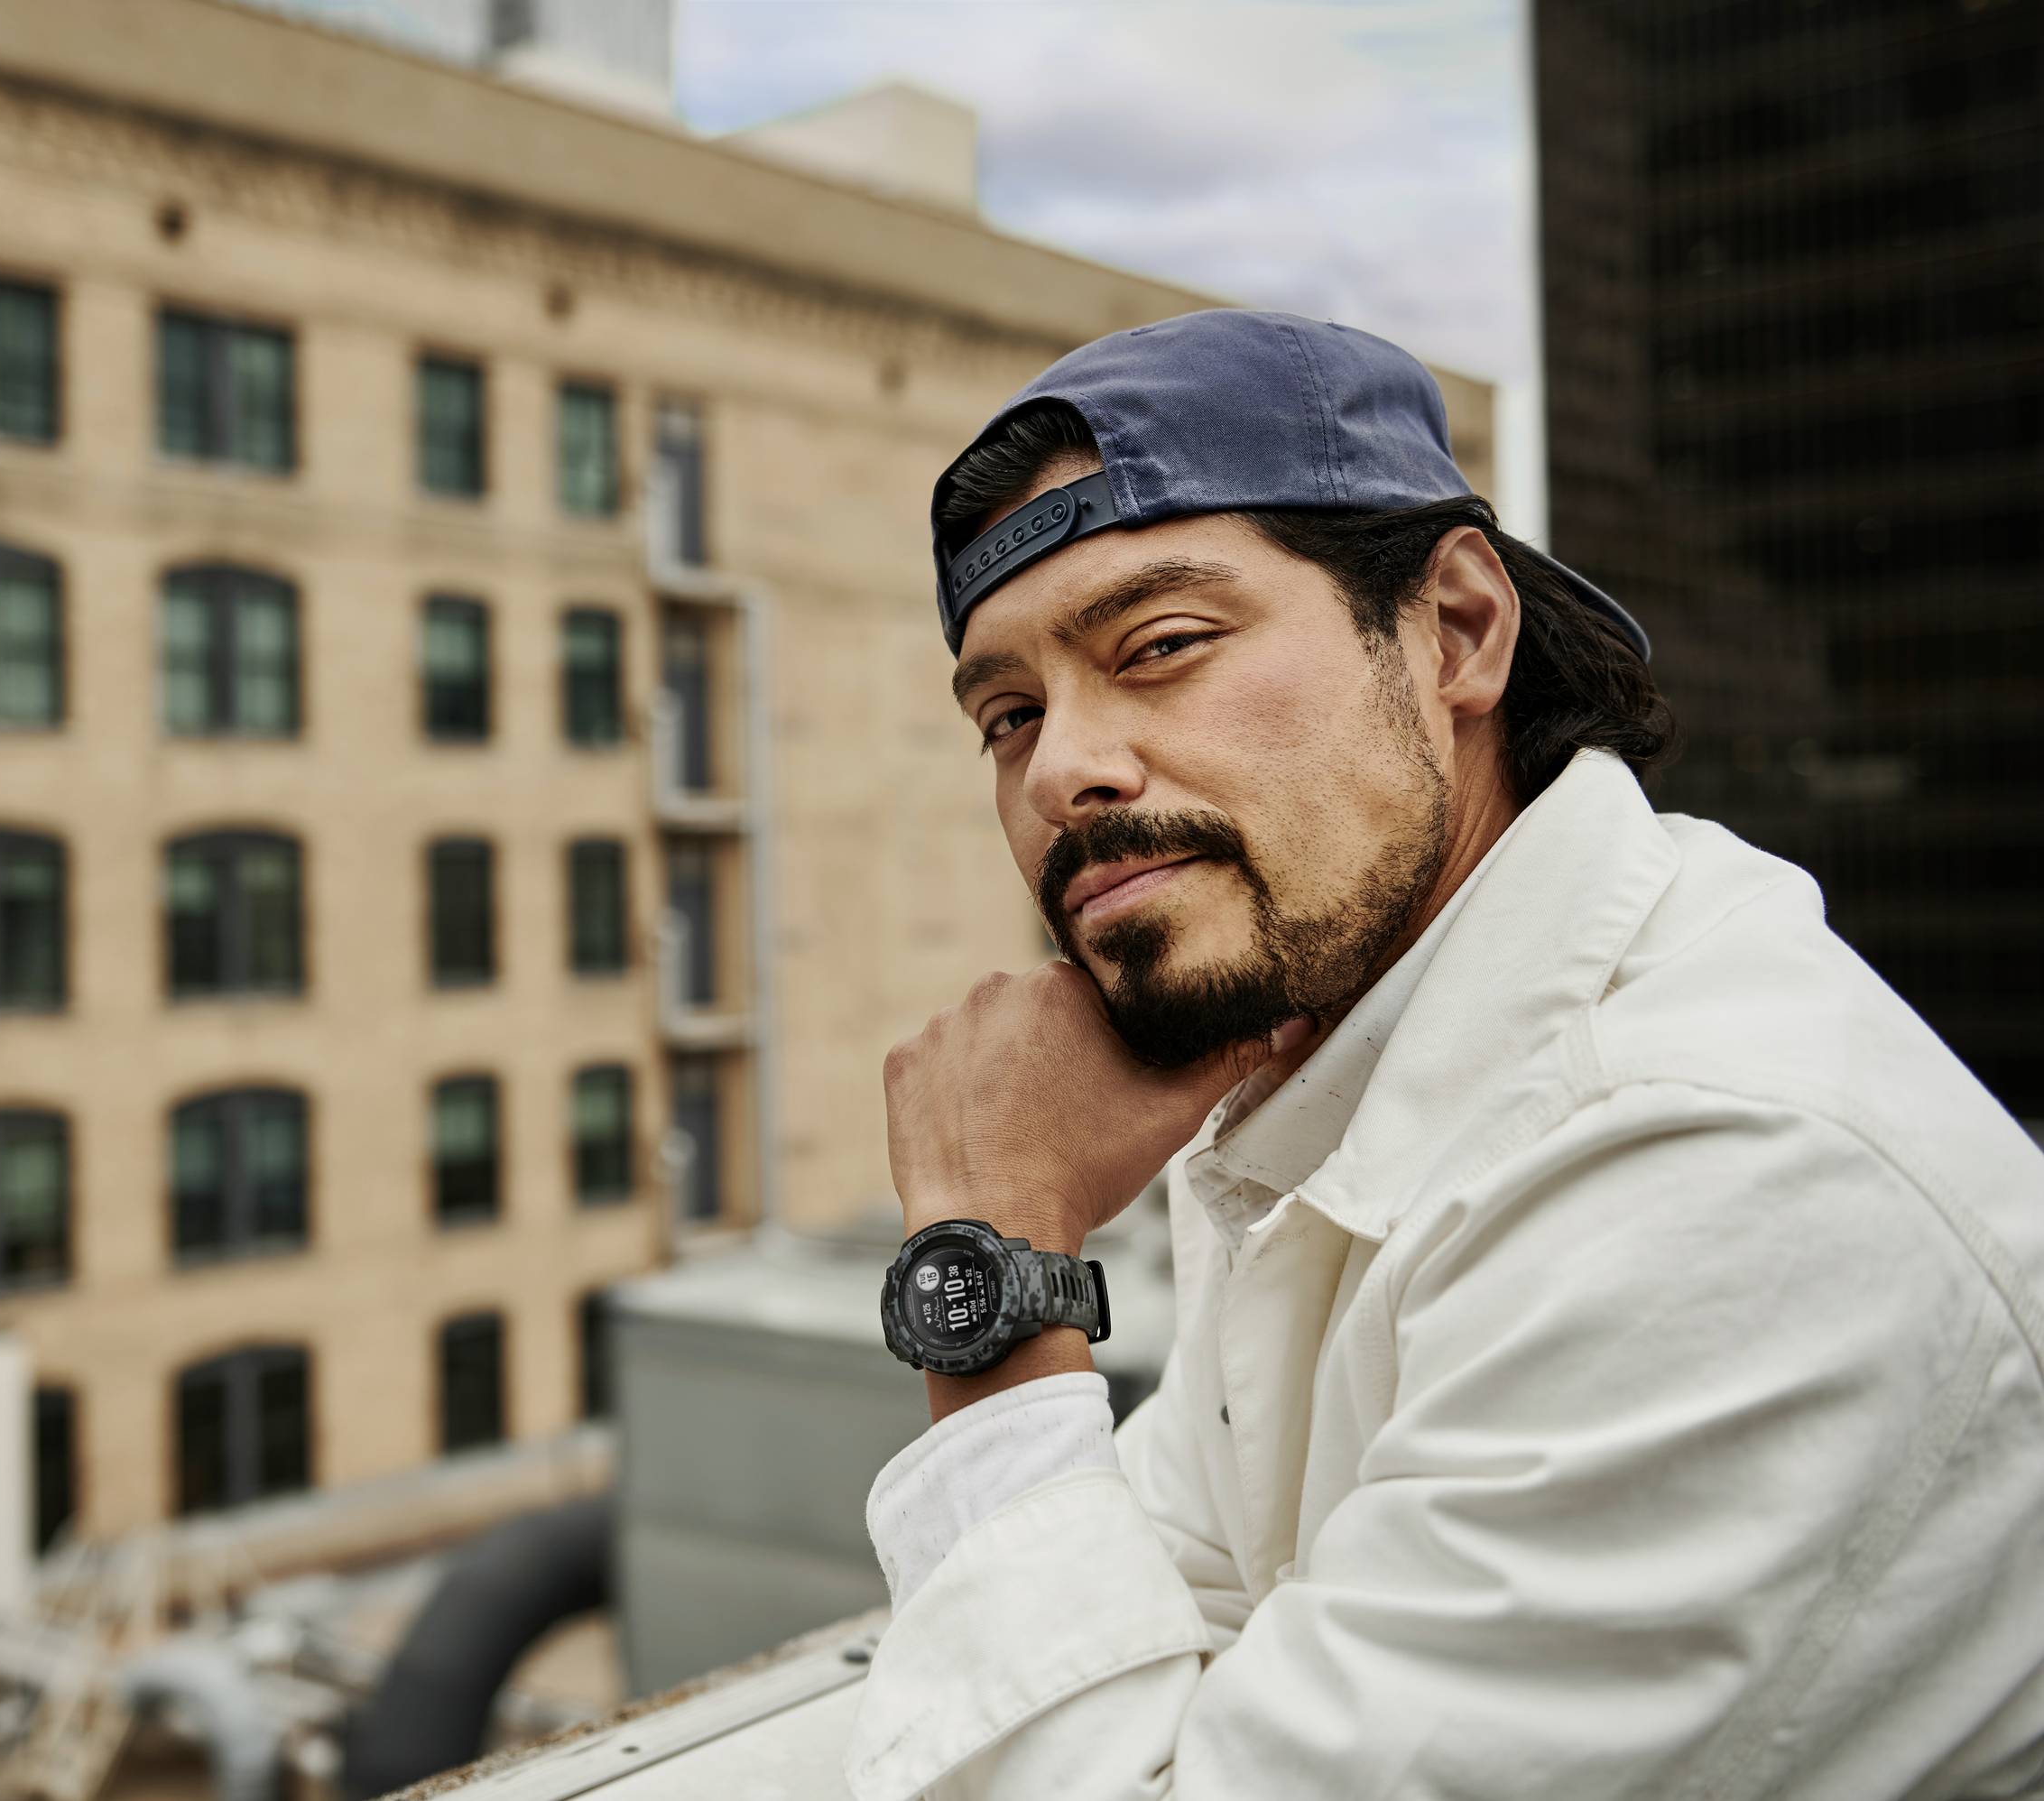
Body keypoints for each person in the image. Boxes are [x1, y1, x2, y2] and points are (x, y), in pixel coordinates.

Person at [852, 309, 2044, 1801]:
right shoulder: (1325, 1077)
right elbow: (1164, 1620)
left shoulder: (1707, 1175)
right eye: (1009, 714)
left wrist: (996, 1267)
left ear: (1458, 631)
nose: (1064, 770)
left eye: (1161, 646)